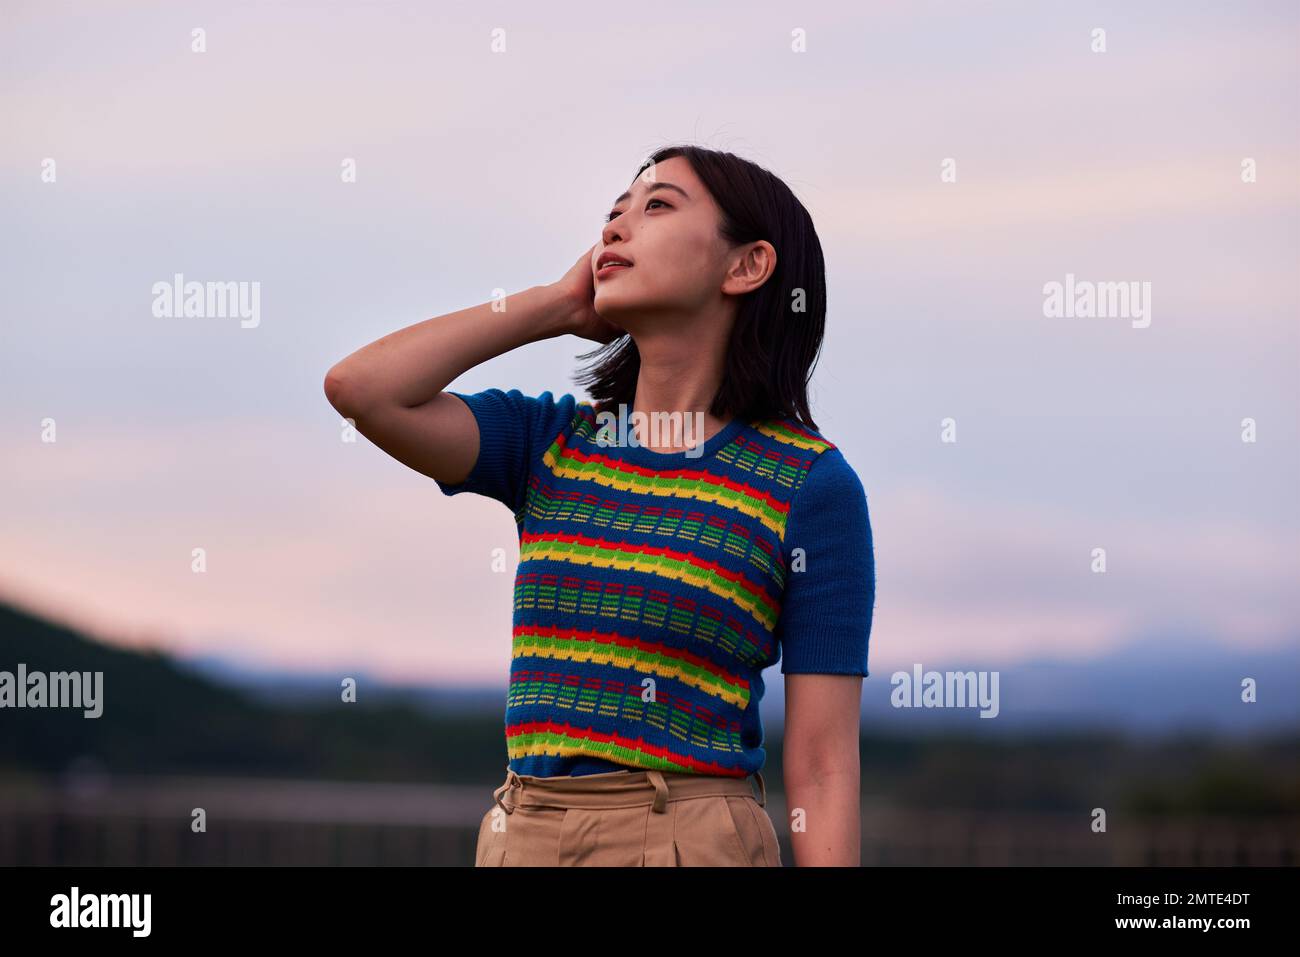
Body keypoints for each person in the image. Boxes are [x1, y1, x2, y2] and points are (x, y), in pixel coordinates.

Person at [323, 144, 876, 866]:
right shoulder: (550, 441)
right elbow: (361, 389)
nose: (615, 228)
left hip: (688, 836)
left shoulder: (809, 485)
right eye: (614, 212)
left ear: (747, 265)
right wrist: (555, 304)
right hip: (523, 831)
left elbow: (823, 765)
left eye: (656, 206)